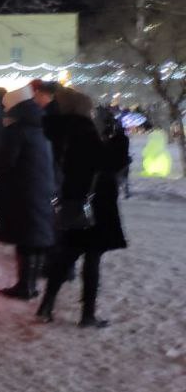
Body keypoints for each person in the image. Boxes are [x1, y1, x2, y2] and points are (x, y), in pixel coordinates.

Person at [36, 95, 128, 328]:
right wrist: (119, 140)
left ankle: (46, 305)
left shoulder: (58, 128)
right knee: (91, 258)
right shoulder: (83, 131)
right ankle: (87, 314)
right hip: (94, 203)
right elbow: (108, 163)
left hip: (73, 198)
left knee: (67, 253)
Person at [0, 85, 56, 300]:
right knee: (34, 237)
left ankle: (24, 287)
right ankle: (30, 284)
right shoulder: (42, 126)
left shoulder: (17, 131)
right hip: (41, 187)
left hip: (22, 190)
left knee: (24, 238)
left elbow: (5, 162)